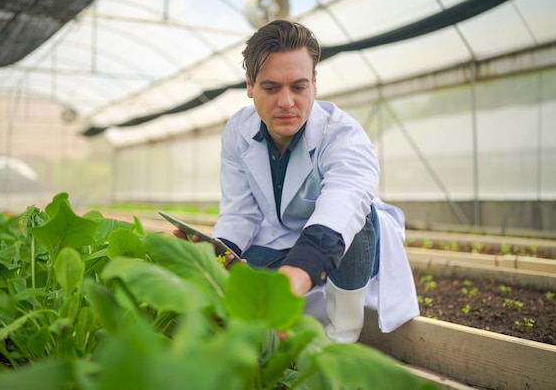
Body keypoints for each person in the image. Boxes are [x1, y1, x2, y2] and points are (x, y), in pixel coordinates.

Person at [175, 19, 418, 342]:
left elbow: (338, 214)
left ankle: (342, 334)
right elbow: (239, 213)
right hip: (281, 241)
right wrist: (220, 254)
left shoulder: (344, 136)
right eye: (271, 87)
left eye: (298, 87)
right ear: (250, 85)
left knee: (363, 216)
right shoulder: (238, 130)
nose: (286, 102)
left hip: (347, 250)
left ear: (314, 84)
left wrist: (294, 277)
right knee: (239, 298)